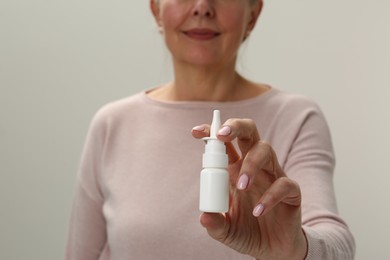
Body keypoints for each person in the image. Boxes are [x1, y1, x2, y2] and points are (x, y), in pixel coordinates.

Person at [65, 0, 355, 259]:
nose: (202, 6)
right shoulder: (112, 124)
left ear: (253, 14)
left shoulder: (295, 117)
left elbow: (338, 245)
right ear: (156, 9)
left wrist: (294, 250)